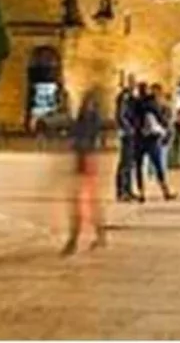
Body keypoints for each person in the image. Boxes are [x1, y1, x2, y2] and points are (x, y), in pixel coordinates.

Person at [61, 87, 106, 256]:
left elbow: (84, 138)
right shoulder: (87, 117)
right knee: (88, 202)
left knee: (80, 202)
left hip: (86, 161)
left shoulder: (89, 118)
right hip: (84, 160)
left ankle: (74, 239)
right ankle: (98, 234)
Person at [133, 84, 175, 201]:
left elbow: (132, 119)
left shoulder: (135, 103)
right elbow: (161, 118)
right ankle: (165, 191)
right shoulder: (153, 103)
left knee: (139, 166)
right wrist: (166, 129)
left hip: (139, 138)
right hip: (152, 138)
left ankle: (142, 193)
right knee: (158, 165)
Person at [114, 83, 140, 202]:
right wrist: (129, 129)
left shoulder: (130, 99)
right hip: (128, 134)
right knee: (125, 163)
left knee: (130, 164)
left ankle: (128, 190)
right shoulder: (124, 99)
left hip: (131, 134)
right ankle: (122, 192)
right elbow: (121, 116)